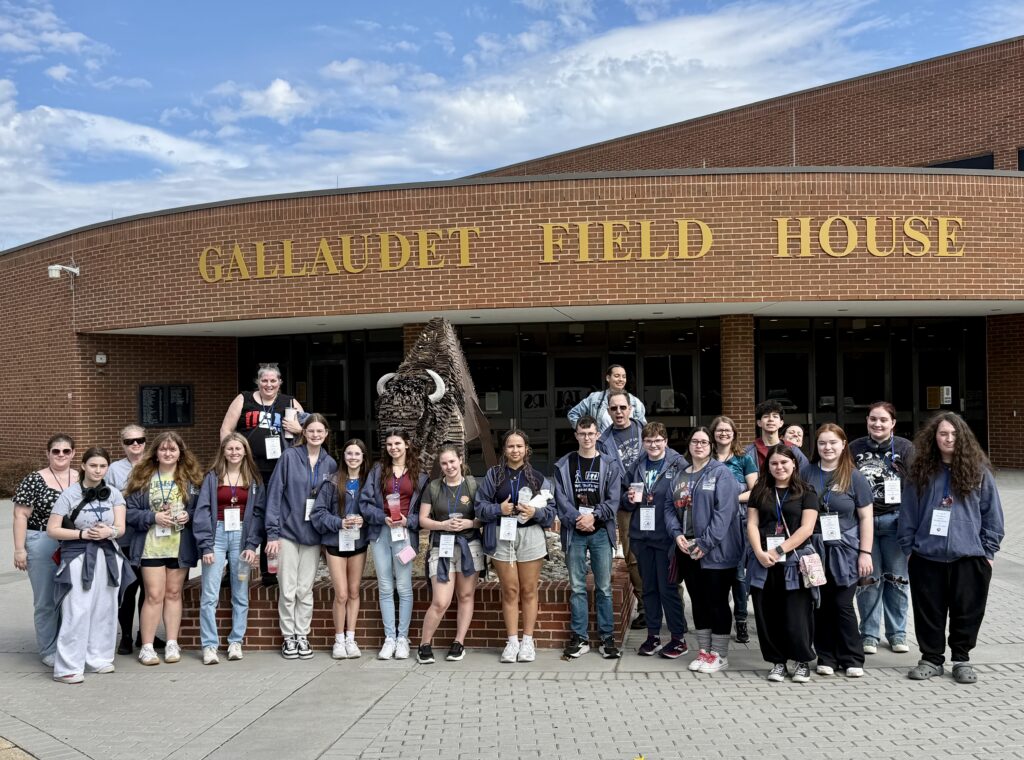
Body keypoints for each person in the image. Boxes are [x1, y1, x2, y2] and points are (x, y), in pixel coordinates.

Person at [898, 412, 1004, 684]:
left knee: (967, 610)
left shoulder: (978, 470)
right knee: (928, 610)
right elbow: (908, 513)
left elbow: (992, 515)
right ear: (934, 437)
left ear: (963, 438)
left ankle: (961, 659)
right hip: (926, 555)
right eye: (943, 433)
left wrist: (987, 552)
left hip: (969, 556)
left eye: (954, 434)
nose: (949, 439)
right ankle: (931, 658)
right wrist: (910, 549)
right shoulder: (920, 471)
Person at [46, 447, 133, 683]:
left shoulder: (114, 494)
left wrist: (109, 531)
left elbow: (121, 528)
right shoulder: (69, 495)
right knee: (77, 608)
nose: (97, 470)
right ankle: (68, 667)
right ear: (83, 466)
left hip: (108, 555)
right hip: (78, 555)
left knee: (105, 608)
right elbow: (52, 529)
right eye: (93, 465)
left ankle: (99, 658)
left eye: (102, 466)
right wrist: (82, 534)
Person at [664, 427, 743, 673]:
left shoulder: (721, 474)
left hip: (717, 552)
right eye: (695, 441)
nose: (699, 445)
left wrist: (705, 543)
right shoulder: (680, 474)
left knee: (717, 602)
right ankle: (704, 651)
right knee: (697, 601)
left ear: (711, 446)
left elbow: (724, 513)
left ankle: (720, 654)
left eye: (704, 442)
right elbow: (669, 507)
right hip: (686, 549)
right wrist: (677, 534)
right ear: (688, 445)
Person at [219, 362, 305, 587]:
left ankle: (269, 570)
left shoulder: (290, 402)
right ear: (258, 382)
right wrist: (230, 461)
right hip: (248, 469)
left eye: (273, 380)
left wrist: (299, 429)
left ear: (280, 383)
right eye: (264, 380)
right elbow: (226, 430)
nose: (269, 384)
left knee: (272, 516)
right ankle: (234, 569)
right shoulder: (244, 399)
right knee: (242, 515)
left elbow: (312, 431)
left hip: (279, 471)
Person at [124, 431, 204, 666]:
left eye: (172, 449)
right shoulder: (142, 476)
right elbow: (129, 511)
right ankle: (147, 646)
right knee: (154, 595)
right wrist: (153, 517)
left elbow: (201, 509)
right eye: (163, 449)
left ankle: (171, 642)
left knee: (173, 594)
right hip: (151, 546)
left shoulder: (191, 479)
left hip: (179, 546)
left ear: (180, 453)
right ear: (156, 453)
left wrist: (187, 515)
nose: (168, 453)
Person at [475, 430, 555, 663]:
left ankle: (528, 641)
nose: (515, 450)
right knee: (509, 590)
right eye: (510, 446)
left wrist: (535, 512)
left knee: (529, 590)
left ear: (527, 449)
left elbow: (552, 512)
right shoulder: (494, 476)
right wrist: (498, 510)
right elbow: (480, 507)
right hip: (502, 534)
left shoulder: (538, 478)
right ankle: (512, 642)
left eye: (519, 446)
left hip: (530, 535)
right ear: (504, 450)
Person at [801, 424, 874, 677]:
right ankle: (826, 656)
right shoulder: (805, 472)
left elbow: (866, 517)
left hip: (846, 551)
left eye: (833, 442)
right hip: (813, 551)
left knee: (842, 604)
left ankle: (852, 656)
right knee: (820, 604)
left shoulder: (854, 476)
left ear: (843, 445)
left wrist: (866, 552)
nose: (827, 448)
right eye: (822, 443)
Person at [265, 414, 337, 660]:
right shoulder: (289, 457)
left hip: (313, 535)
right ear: (303, 433)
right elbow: (274, 495)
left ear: (326, 434)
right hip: (286, 532)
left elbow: (331, 503)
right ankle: (289, 638)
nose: (315, 435)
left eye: (320, 431)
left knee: (305, 589)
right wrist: (272, 533)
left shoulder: (331, 464)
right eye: (311, 431)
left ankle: (302, 634)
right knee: (287, 589)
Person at [746, 444, 818, 683]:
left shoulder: (807, 491)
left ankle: (801, 661)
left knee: (796, 615)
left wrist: (778, 550)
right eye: (774, 463)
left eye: (784, 462)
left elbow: (807, 528)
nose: (779, 467)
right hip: (763, 562)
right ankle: (777, 662)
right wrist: (758, 551)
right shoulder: (760, 490)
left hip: (793, 563)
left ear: (794, 463)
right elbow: (752, 524)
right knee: (768, 614)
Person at [193, 433, 265, 665]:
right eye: (230, 449)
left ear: (245, 451)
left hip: (242, 537)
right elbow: (202, 510)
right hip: (217, 535)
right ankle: (209, 646)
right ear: (223, 451)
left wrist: (252, 544)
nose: (234, 452)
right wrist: (206, 545)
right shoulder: (212, 477)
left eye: (238, 448)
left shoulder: (253, 479)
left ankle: (236, 641)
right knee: (209, 595)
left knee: (240, 593)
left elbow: (258, 513)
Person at [554, 415, 622, 659]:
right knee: (578, 587)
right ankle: (580, 638)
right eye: (582, 434)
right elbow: (560, 500)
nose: (587, 438)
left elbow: (614, 500)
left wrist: (594, 516)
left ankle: (606, 638)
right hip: (575, 533)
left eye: (591, 433)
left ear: (597, 435)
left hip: (601, 532)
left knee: (604, 588)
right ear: (576, 435)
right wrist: (577, 519)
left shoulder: (609, 464)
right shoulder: (564, 464)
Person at [850, 402, 914, 655]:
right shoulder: (854, 448)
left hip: (896, 522)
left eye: (883, 420)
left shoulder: (906, 449)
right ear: (867, 420)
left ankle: (897, 633)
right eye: (873, 419)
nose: (878, 424)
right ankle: (869, 634)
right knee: (867, 580)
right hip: (862, 523)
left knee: (897, 579)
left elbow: (916, 487)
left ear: (893, 423)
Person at [359, 429, 429, 661]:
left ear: (407, 444)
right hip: (382, 533)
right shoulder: (378, 471)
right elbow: (365, 502)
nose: (393, 448)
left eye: (397, 443)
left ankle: (403, 638)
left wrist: (408, 521)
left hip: (405, 536)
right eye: (389, 444)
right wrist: (382, 518)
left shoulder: (420, 474)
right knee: (386, 586)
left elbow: (423, 511)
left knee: (404, 587)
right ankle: (389, 638)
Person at [621, 422, 688, 657]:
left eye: (658, 440)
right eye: (649, 441)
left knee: (668, 588)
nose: (653, 445)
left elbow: (685, 498)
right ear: (643, 443)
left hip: (666, 536)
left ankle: (678, 638)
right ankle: (653, 636)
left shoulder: (678, 464)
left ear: (666, 442)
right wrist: (629, 499)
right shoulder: (637, 464)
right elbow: (625, 500)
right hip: (641, 536)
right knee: (648, 588)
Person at [12, 434, 79, 667]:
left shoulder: (81, 478)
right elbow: (20, 515)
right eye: (56, 451)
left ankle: (69, 644)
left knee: (72, 597)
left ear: (73, 453)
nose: (61, 455)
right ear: (48, 453)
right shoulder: (34, 480)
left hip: (74, 541)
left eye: (66, 451)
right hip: (41, 539)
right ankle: (48, 649)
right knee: (46, 599)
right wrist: (19, 549)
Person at [417, 444, 483, 664]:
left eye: (452, 461)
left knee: (465, 596)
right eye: (444, 463)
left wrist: (470, 522)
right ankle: (424, 643)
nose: (449, 466)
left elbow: (483, 517)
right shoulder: (433, 487)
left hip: (469, 545)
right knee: (440, 601)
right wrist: (443, 524)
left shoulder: (473, 485)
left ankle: (459, 642)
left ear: (461, 460)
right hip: (441, 546)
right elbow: (423, 519)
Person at [311, 438, 371, 659]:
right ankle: (338, 640)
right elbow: (318, 514)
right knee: (341, 593)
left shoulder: (368, 483)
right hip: (335, 543)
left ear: (363, 457)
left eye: (357, 454)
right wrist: (340, 522)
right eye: (349, 454)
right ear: (343, 457)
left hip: (359, 543)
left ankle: (351, 638)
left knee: (354, 592)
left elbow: (375, 509)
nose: (353, 458)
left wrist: (365, 520)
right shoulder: (332, 483)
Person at [597, 390, 646, 629]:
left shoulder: (646, 431)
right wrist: (622, 497)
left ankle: (672, 603)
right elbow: (606, 478)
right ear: (608, 412)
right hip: (625, 506)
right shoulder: (603, 443)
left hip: (653, 502)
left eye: (622, 407)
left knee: (664, 553)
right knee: (632, 556)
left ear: (630, 409)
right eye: (614, 408)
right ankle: (645, 607)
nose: (619, 412)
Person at [711, 415, 758, 645]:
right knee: (713, 574)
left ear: (734, 433)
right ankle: (716, 619)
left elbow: (755, 491)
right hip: (710, 523)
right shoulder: (706, 457)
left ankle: (740, 620)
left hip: (738, 523)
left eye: (727, 430)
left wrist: (728, 499)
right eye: (719, 430)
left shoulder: (743, 459)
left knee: (738, 575)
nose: (723, 434)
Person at [106, 424, 148, 655]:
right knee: (128, 589)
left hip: (149, 537)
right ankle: (126, 636)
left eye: (140, 440)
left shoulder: (154, 463)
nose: (135, 445)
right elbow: (109, 501)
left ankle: (145, 635)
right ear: (122, 444)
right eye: (130, 441)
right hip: (125, 538)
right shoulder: (114, 470)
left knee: (148, 589)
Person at [567, 364, 647, 433]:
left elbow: (643, 429)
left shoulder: (635, 402)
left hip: (627, 447)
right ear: (608, 378)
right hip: (602, 448)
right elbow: (573, 414)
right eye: (617, 376)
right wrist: (588, 432)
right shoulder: (594, 398)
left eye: (624, 377)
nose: (621, 379)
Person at [745, 400, 809, 470]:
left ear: (781, 423)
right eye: (766, 416)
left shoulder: (792, 449)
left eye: (775, 416)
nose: (771, 419)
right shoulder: (749, 452)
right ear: (759, 423)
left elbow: (807, 474)